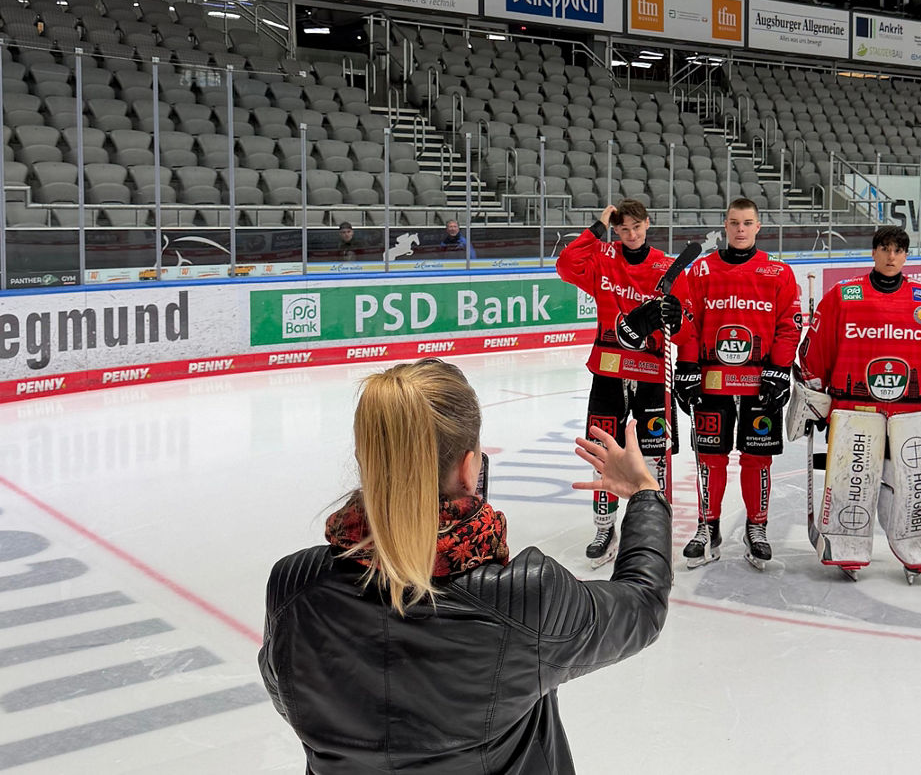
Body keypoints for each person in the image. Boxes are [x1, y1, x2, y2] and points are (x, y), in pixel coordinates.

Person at [258, 358, 672, 773]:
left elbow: (289, 694)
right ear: (468, 468)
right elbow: (643, 604)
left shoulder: (292, 587)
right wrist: (644, 493)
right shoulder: (527, 597)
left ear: (365, 461)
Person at [796, 225, 921, 581]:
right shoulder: (843, 295)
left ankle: (917, 543)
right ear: (874, 252)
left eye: (898, 250)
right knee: (852, 482)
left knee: (906, 485)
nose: (891, 256)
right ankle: (846, 544)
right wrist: (814, 394)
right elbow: (817, 350)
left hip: (911, 414)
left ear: (906, 256)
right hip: (853, 411)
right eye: (885, 249)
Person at [555, 200, 691, 567]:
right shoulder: (603, 258)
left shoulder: (667, 267)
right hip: (608, 371)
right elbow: (566, 265)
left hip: (651, 373)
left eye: (637, 227)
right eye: (623, 229)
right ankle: (605, 528)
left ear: (648, 224)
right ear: (615, 230)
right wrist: (597, 228)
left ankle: (653, 527)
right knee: (602, 454)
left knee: (655, 457)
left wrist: (676, 319)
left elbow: (686, 330)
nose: (631, 235)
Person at [675, 198, 800, 570]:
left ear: (758, 226)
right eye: (734, 223)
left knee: (757, 458)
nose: (741, 229)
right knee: (710, 457)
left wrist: (779, 370)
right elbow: (689, 323)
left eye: (747, 223)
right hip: (712, 380)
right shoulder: (701, 270)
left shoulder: (778, 272)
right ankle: (707, 527)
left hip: (759, 381)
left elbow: (788, 326)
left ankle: (756, 527)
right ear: (725, 226)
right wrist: (687, 367)